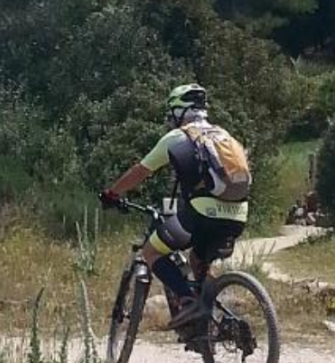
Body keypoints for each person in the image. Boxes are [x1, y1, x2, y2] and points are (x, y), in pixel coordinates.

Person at [101, 83, 251, 335]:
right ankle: (211, 323)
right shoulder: (225, 136)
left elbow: (141, 171)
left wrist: (112, 193)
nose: (170, 119)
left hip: (201, 214)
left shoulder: (177, 137)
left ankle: (188, 301)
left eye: (172, 114)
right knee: (197, 260)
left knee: (150, 252)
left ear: (181, 112)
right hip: (238, 215)